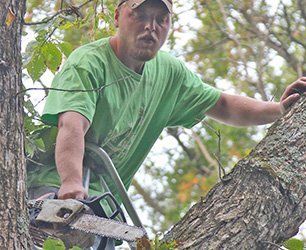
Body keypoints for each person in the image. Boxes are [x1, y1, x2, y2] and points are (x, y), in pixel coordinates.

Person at [27, 0, 306, 201]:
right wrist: (71, 184)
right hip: (50, 189)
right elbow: (72, 126)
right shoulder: (89, 63)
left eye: (161, 19)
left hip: (103, 204)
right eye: (141, 15)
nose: (151, 27)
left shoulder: (169, 73)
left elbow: (222, 104)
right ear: (117, 16)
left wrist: (279, 109)